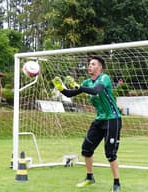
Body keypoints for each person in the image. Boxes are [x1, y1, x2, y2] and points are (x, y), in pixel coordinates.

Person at [52, 55, 122, 192]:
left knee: (110, 153)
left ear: (100, 67)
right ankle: (90, 178)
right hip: (100, 119)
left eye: (93, 64)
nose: (90, 66)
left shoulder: (104, 78)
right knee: (86, 149)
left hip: (113, 119)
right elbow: (70, 94)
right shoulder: (86, 82)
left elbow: (96, 90)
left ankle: (117, 183)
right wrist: (61, 88)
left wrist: (79, 87)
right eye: (89, 64)